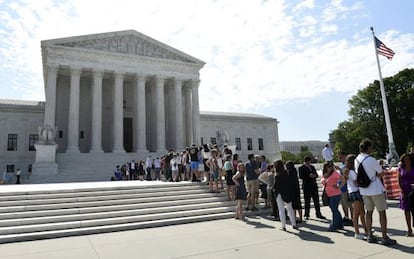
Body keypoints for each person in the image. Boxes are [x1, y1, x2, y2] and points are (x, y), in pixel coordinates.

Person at [355, 139, 396, 245]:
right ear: (368, 147)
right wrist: (378, 174)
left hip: (364, 190)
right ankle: (384, 237)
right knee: (382, 212)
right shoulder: (371, 159)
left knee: (369, 212)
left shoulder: (357, 159)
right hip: (375, 189)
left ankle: (369, 235)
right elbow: (381, 173)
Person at [343, 154, 367, 239]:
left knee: (361, 212)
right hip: (355, 192)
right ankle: (357, 232)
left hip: (354, 192)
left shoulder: (348, 171)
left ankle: (366, 230)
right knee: (357, 213)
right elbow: (356, 182)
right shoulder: (352, 172)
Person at [273, 160, 297, 231]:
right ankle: (294, 224)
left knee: (281, 209)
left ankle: (283, 226)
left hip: (279, 193)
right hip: (286, 192)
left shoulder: (277, 175)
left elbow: (275, 186)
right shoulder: (286, 173)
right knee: (290, 209)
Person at [321, 161, 343, 231]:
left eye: (330, 166)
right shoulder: (325, 174)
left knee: (334, 210)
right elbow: (323, 182)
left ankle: (334, 225)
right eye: (328, 166)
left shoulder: (335, 173)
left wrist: (339, 187)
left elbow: (343, 179)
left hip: (335, 194)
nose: (329, 168)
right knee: (335, 210)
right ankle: (339, 224)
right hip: (328, 194)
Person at [397, 153, 414, 236]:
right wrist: (402, 191)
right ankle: (409, 229)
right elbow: (399, 181)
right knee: (407, 211)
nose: (407, 161)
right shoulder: (400, 169)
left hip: (413, 191)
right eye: (405, 159)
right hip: (404, 192)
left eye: (408, 159)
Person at [337, 151, 353, 225]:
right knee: (344, 202)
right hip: (342, 186)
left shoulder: (349, 166)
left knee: (350, 203)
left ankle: (353, 218)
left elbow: (346, 174)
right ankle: (346, 217)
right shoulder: (341, 165)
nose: (339, 158)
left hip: (348, 186)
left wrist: (340, 170)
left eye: (340, 157)